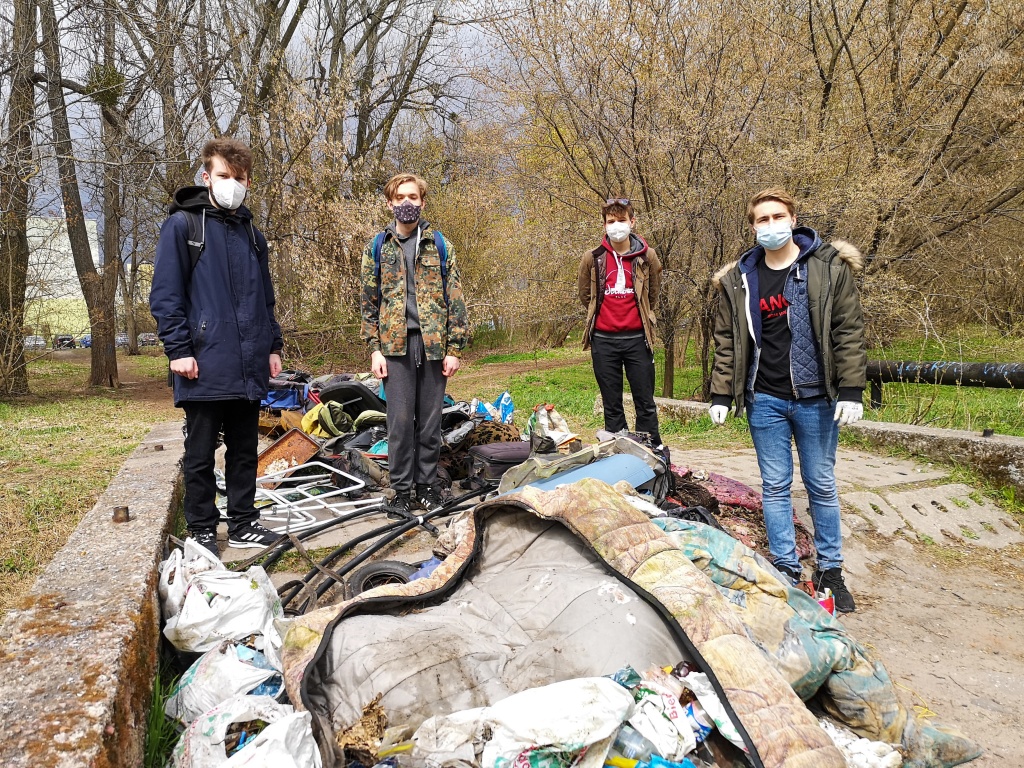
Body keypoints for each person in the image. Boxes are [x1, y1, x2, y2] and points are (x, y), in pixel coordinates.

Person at [708, 187, 866, 612]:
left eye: (778, 216)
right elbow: (727, 341)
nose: (771, 225)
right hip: (766, 399)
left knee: (821, 484)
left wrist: (851, 389)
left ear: (793, 219)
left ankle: (831, 570)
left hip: (816, 399)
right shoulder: (739, 279)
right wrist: (723, 391)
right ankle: (786, 568)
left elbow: (847, 330)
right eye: (762, 219)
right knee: (775, 487)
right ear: (752, 226)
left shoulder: (828, 268)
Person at [150, 137, 285, 556]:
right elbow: (166, 294)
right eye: (224, 176)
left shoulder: (252, 234)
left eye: (240, 178)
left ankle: (244, 523)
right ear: (206, 177)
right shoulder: (183, 226)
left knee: (245, 450)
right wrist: (178, 349)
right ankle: (204, 528)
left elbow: (265, 298)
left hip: (248, 361)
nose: (232, 184)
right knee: (200, 452)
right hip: (203, 361)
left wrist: (272, 346)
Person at [360, 173, 470, 516]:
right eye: (400, 197)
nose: (407, 203)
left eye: (413, 197)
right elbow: (368, 301)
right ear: (390, 202)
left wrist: (455, 349)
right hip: (394, 347)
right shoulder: (377, 247)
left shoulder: (439, 244)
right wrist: (374, 348)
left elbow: (456, 298)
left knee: (430, 421)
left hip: (434, 346)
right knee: (399, 421)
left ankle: (427, 487)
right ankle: (402, 490)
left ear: (422, 202)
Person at [578, 197, 664, 449]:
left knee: (645, 402)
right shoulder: (592, 258)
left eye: (621, 220)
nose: (616, 226)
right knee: (611, 402)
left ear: (632, 222)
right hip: (604, 341)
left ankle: (650, 450)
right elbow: (586, 295)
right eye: (610, 221)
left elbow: (653, 294)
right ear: (604, 225)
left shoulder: (647, 256)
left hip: (638, 339)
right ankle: (616, 450)